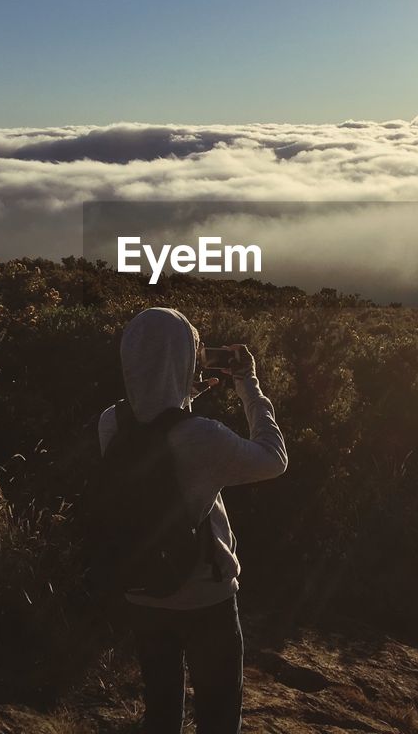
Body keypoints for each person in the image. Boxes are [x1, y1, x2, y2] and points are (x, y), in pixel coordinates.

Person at [98, 307, 288, 734]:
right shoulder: (203, 436)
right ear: (183, 358)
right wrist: (248, 386)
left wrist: (184, 394)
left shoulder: (110, 423)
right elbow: (274, 459)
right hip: (206, 600)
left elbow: (156, 425)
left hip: (141, 592)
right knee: (218, 719)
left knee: (161, 713)